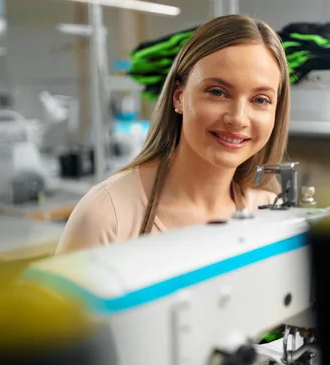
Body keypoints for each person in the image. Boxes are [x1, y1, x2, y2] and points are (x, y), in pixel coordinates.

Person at [55, 14, 291, 255]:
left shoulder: (268, 209)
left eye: (260, 99)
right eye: (218, 92)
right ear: (178, 96)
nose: (238, 118)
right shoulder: (106, 214)